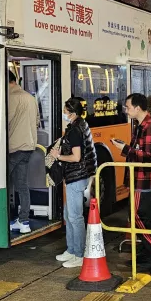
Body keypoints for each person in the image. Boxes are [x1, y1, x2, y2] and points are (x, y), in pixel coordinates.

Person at [111, 93, 151, 273]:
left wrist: (124, 149)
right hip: (141, 180)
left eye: (127, 107)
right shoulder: (141, 125)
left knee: (138, 219)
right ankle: (145, 255)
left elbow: (149, 157)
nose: (126, 110)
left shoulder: (149, 127)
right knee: (144, 219)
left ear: (137, 107)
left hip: (144, 181)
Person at [50, 97, 97, 268]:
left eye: (65, 110)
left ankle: (79, 254)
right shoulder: (80, 125)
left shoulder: (75, 130)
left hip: (76, 176)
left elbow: (76, 157)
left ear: (72, 112)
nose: (63, 112)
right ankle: (71, 249)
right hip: (78, 175)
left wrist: (58, 156)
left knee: (75, 217)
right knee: (68, 215)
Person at [8, 71, 39, 234]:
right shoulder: (30, 97)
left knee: (1, 183)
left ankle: (1, 218)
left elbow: (4, 121)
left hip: (14, 147)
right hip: (29, 147)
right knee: (22, 185)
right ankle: (24, 221)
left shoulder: (12, 97)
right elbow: (37, 121)